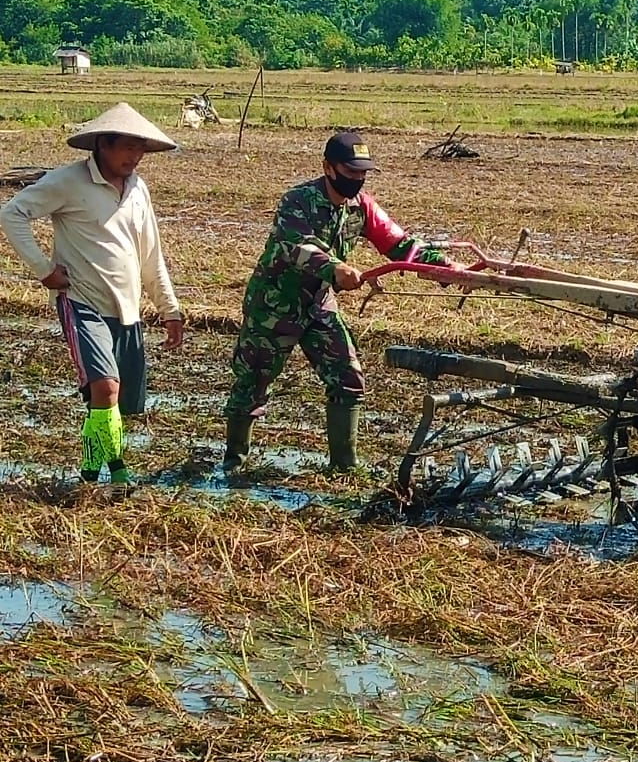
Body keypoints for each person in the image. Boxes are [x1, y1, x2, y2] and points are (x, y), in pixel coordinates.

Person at [222, 131, 456, 473]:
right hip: (275, 304)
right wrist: (335, 267)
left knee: (348, 377)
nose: (357, 180)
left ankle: (343, 466)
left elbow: (401, 244)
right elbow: (296, 245)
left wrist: (445, 266)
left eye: (363, 173)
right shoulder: (298, 201)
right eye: (351, 172)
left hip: (318, 303)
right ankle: (233, 464)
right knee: (253, 381)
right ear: (328, 168)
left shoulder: (361, 207)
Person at [0, 102, 185, 486]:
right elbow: (12, 214)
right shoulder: (68, 181)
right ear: (102, 144)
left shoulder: (138, 190)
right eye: (128, 147)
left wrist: (169, 308)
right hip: (81, 301)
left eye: (140, 149)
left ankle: (88, 472)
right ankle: (119, 475)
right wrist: (44, 270)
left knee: (112, 402)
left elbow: (150, 254)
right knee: (106, 387)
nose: (135, 157)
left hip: (127, 308)